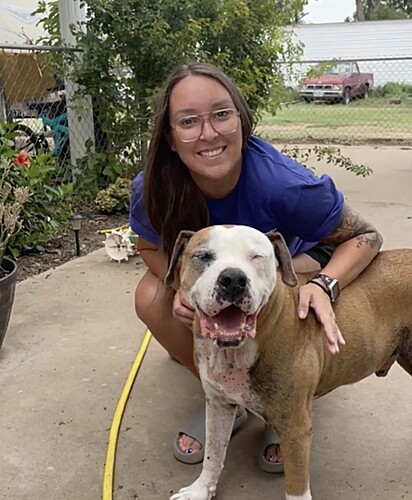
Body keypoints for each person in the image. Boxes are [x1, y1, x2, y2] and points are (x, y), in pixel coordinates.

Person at [129, 62, 383, 472]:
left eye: (221, 114)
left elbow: (366, 237)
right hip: (215, 272)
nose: (208, 133)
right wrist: (178, 286)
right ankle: (223, 395)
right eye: (189, 121)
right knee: (150, 296)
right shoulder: (154, 186)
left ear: (242, 122)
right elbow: (147, 245)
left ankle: (280, 404)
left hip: (291, 262)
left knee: (280, 289)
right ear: (171, 138)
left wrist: (325, 282)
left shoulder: (284, 184)